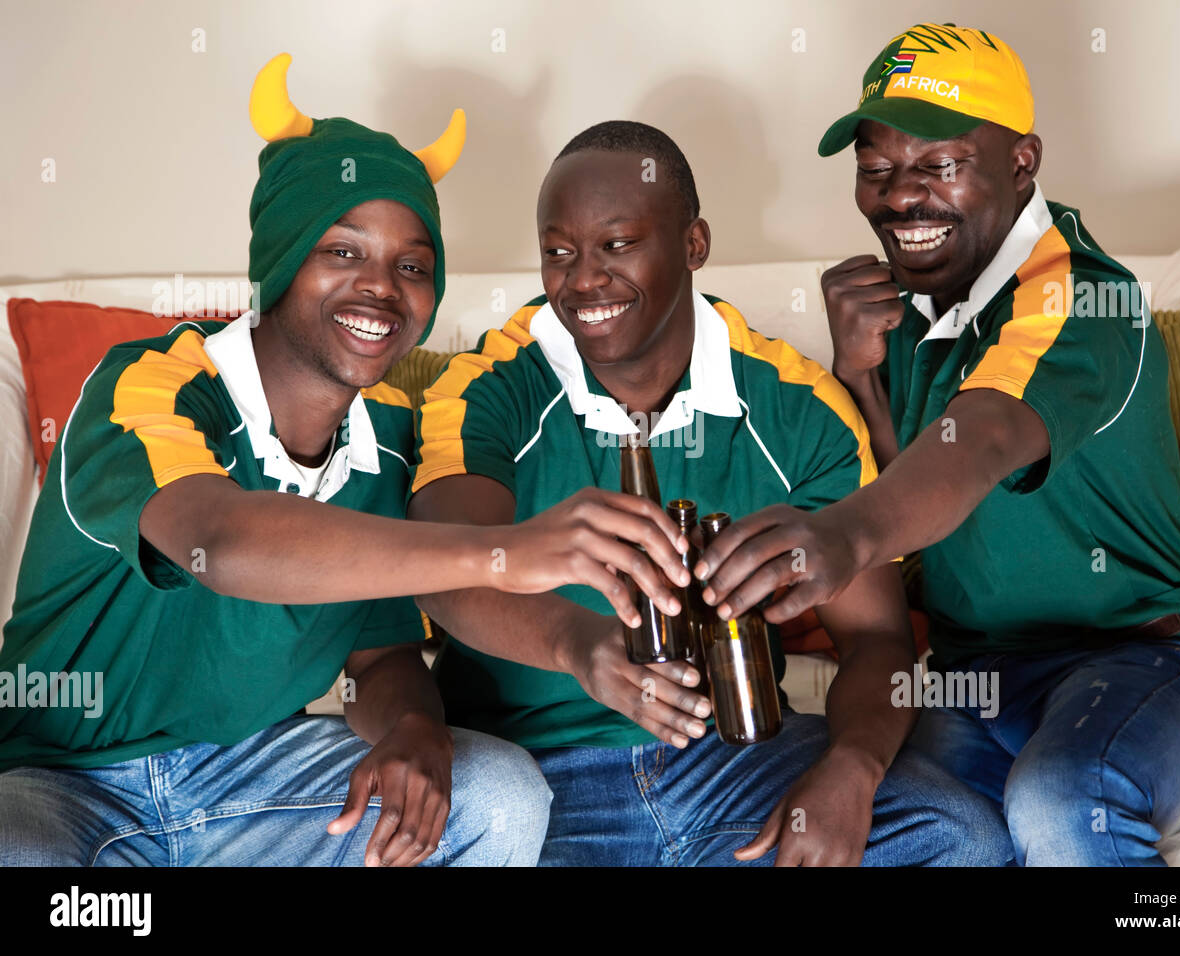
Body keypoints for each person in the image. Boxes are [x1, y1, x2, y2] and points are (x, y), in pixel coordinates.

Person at [0, 56, 690, 867]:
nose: (382, 291)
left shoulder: (393, 428)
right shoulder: (148, 384)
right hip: (62, 780)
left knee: (498, 796)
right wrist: (512, 551)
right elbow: (218, 543)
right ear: (282, 259)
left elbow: (378, 649)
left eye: (412, 266)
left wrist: (414, 731)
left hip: (252, 778)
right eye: (342, 252)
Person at [695, 23, 1180, 865]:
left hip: (1140, 660)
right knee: (892, 816)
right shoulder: (921, 303)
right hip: (973, 676)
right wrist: (862, 377)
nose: (901, 197)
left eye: (939, 165)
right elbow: (925, 500)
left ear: (1022, 160)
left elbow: (982, 439)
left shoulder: (1084, 300)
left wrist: (839, 536)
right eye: (877, 170)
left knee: (1066, 798)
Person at [408, 119, 1014, 866]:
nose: (584, 279)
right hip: (537, 773)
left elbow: (878, 641)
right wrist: (581, 646)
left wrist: (849, 774)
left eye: (617, 244)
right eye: (559, 253)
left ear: (693, 245)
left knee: (961, 839)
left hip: (735, 768)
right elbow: (448, 568)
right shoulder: (486, 391)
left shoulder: (800, 407)